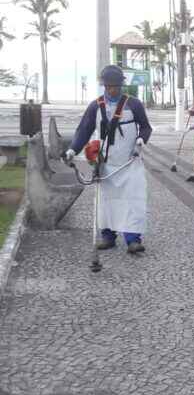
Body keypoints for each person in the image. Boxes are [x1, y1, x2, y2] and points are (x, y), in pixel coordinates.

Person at [65, 65, 152, 254]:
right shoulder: (96, 106)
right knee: (107, 202)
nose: (114, 90)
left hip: (130, 162)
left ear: (122, 85)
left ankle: (132, 240)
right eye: (110, 86)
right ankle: (108, 237)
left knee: (132, 200)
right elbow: (84, 130)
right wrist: (72, 149)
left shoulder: (134, 104)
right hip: (105, 165)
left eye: (117, 86)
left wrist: (140, 140)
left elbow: (146, 127)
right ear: (104, 86)